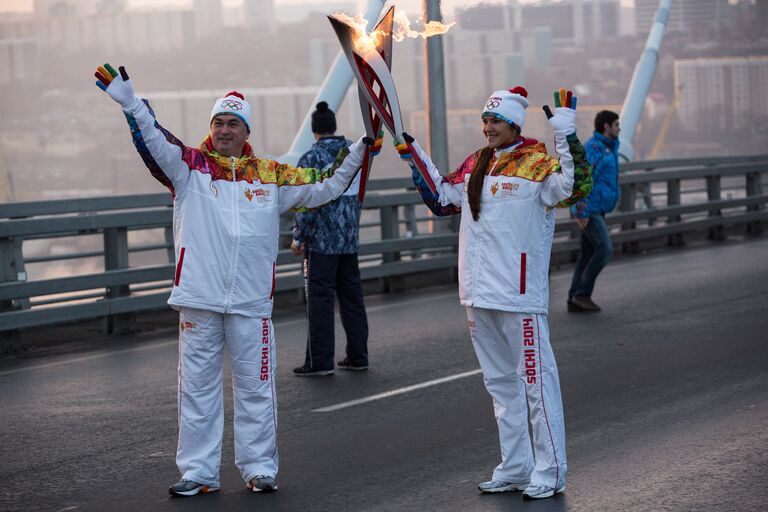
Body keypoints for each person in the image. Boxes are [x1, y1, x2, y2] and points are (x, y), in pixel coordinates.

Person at [94, 63, 368, 497]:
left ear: (246, 130)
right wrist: (131, 103)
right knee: (197, 393)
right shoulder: (190, 168)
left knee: (256, 390)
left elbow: (327, 184)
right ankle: (199, 473)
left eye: (233, 123)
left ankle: (259, 467)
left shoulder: (271, 175)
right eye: (218, 122)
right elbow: (153, 142)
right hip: (199, 300)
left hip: (250, 304)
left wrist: (357, 152)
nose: (224, 130)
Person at [400, 86, 592, 499]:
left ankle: (551, 470)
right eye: (485, 121)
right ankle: (516, 465)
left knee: (536, 384)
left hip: (518, 295)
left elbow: (577, 188)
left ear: (514, 125)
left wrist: (566, 135)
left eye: (496, 122)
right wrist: (412, 152)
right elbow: (442, 197)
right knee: (501, 386)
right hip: (477, 293)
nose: (488, 128)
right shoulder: (476, 163)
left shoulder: (538, 165)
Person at [290, 102, 370, 377]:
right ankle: (358, 355)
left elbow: (305, 203)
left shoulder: (310, 159)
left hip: (322, 243)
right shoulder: (354, 151)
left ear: (314, 131)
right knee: (352, 298)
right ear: (333, 126)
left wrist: (299, 237)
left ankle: (320, 361)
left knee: (320, 301)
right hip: (349, 238)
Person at [567, 110, 620, 312]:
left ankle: (574, 297)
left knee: (587, 254)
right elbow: (580, 180)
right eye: (616, 124)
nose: (619, 128)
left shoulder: (610, 147)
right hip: (589, 209)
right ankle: (582, 294)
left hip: (598, 207)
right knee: (605, 250)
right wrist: (581, 212)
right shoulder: (594, 148)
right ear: (606, 126)